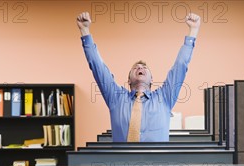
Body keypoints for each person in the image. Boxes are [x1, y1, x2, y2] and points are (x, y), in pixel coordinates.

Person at [76, 11, 201, 142]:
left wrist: (193, 31)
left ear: (152, 79)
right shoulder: (116, 98)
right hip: (121, 162)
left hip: (158, 162)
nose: (140, 68)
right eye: (135, 67)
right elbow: (98, 67)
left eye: (144, 67)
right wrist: (85, 30)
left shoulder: (164, 97)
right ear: (128, 80)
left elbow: (180, 66)